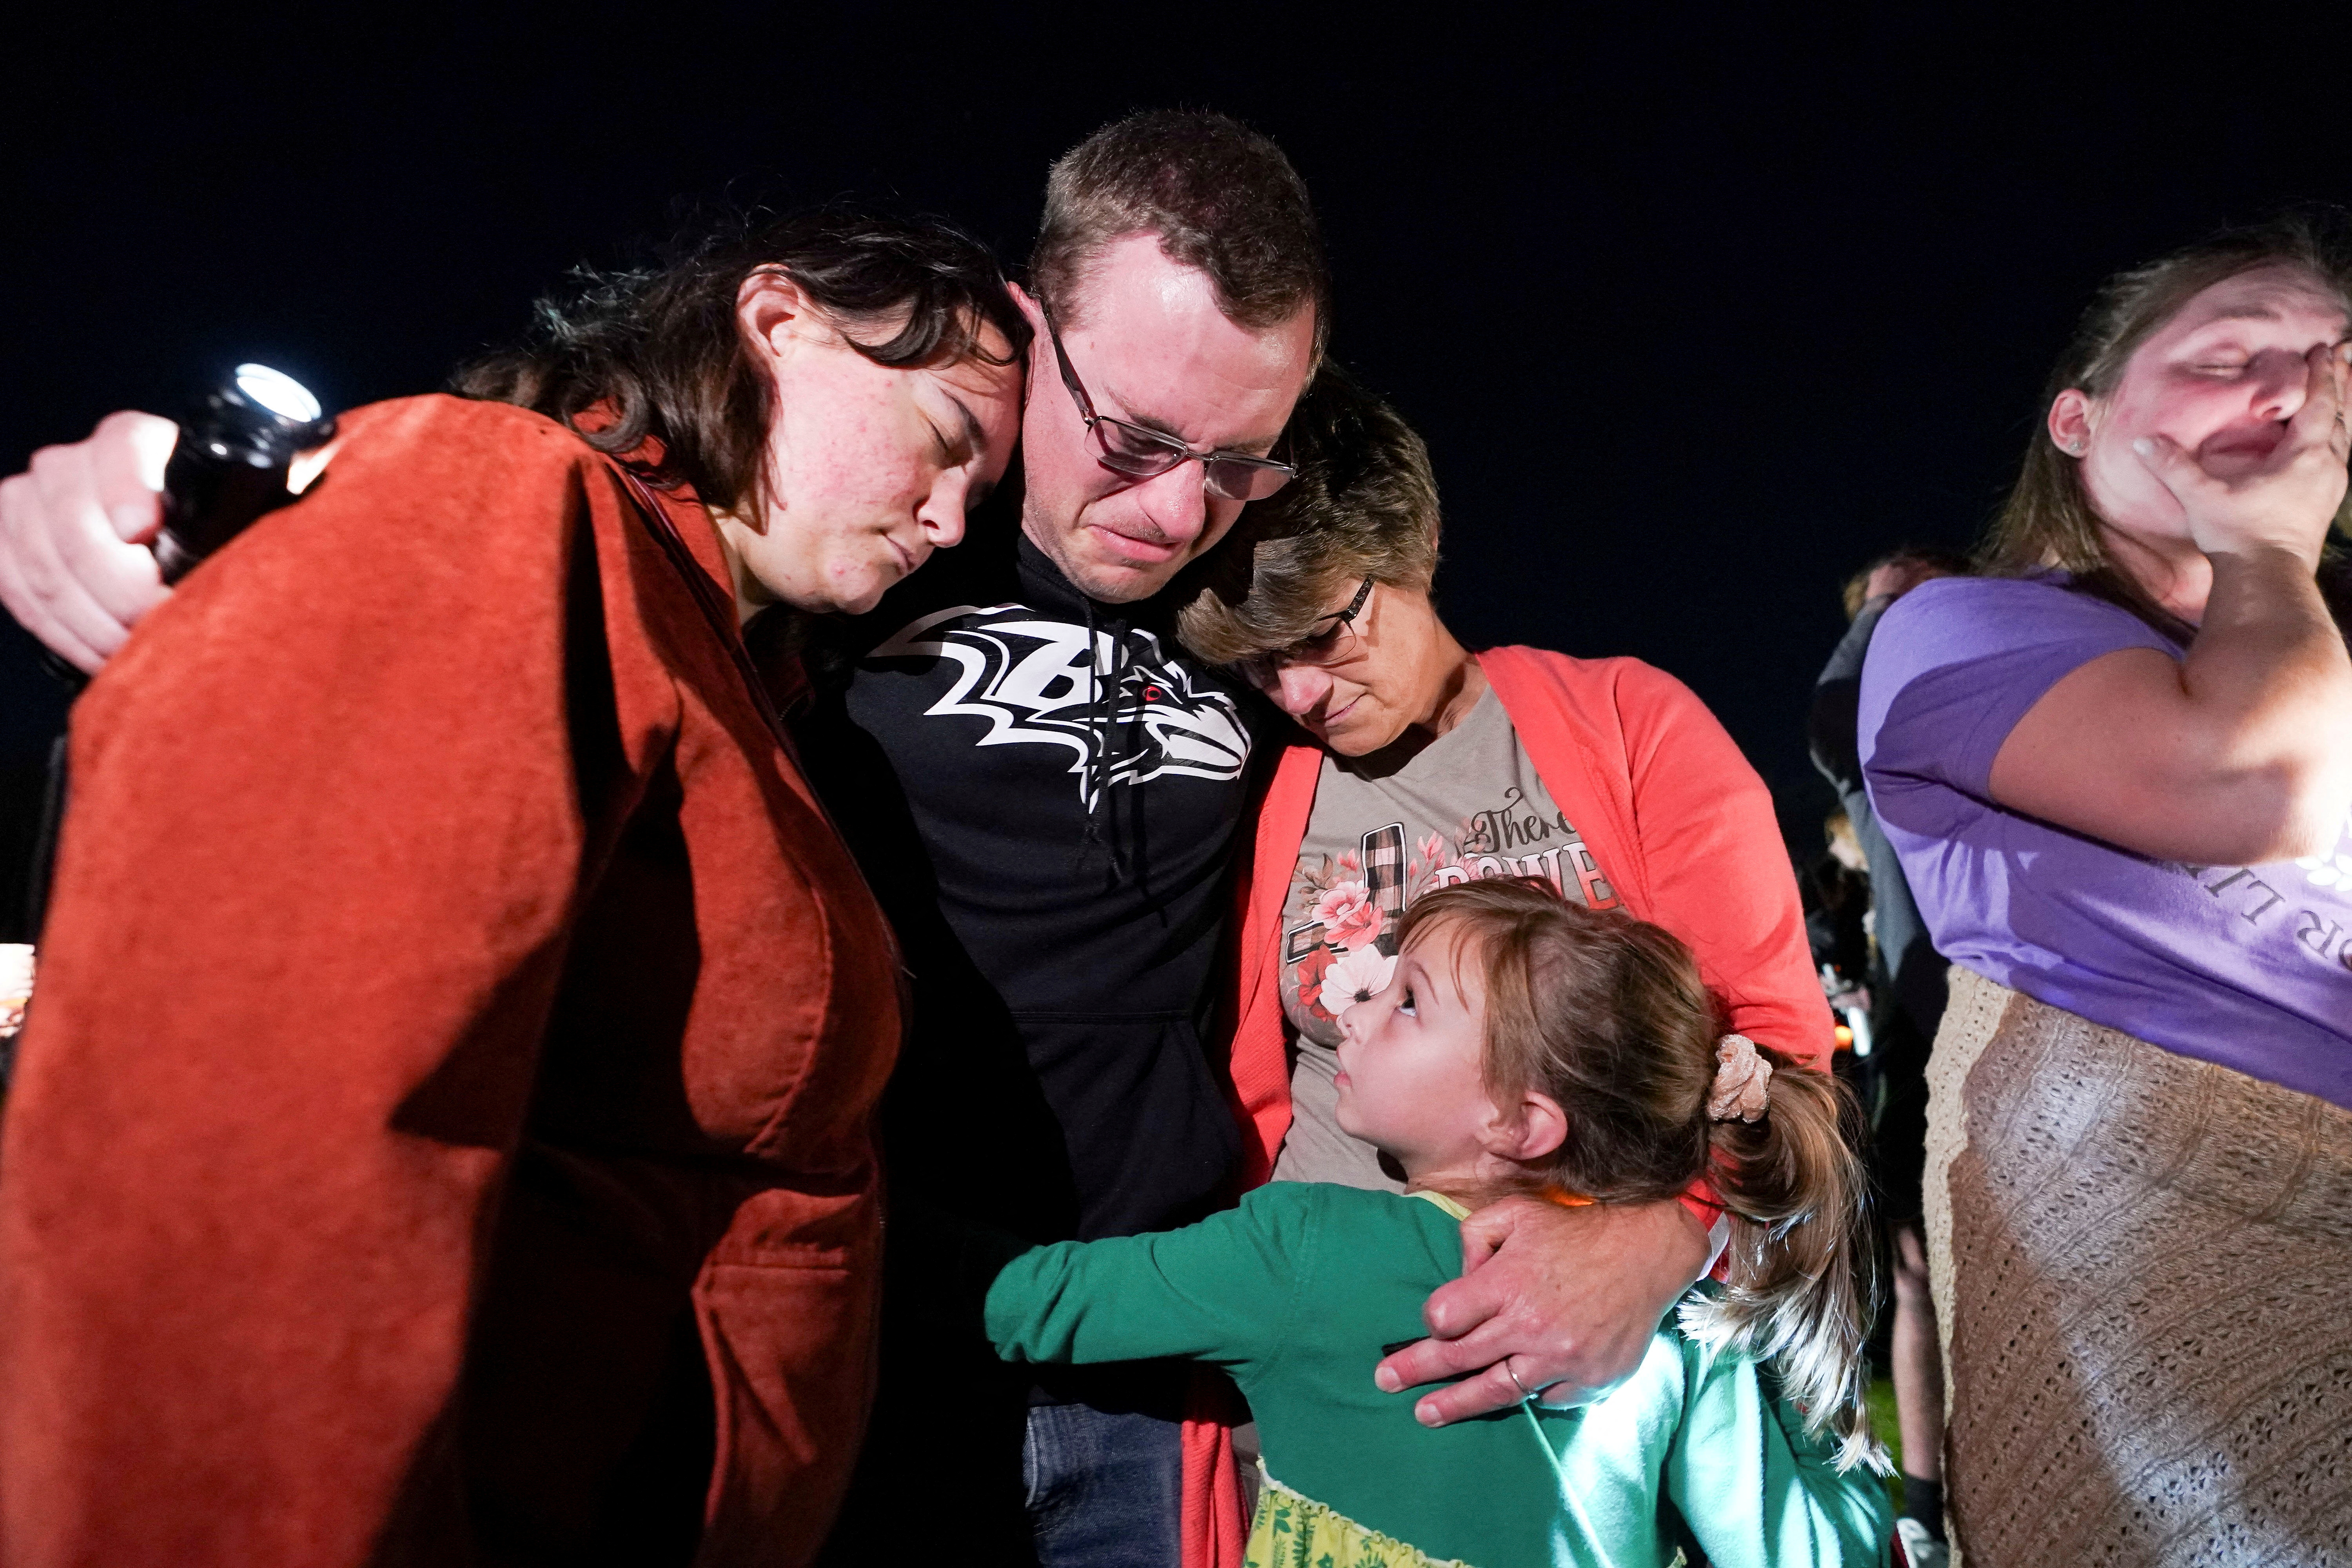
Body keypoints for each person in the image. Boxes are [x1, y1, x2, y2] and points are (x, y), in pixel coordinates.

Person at [0, 111, 1736, 1568]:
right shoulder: (866, 535)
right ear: (1029, 330)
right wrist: (157, 495)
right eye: (1133, 439)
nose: (1173, 509)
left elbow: (1572, 895)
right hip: (875, 1352)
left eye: (1239, 460)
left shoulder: (1240, 607)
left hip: (1160, 1378)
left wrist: (1668, 1223)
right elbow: (543, 558)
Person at [0, 209, 1028, 1568]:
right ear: (778, 325)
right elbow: (261, 1123)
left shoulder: (733, 674)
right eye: (945, 437)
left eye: (979, 496)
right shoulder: (499, 494)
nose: (949, 520)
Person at [1171, 363, 1840, 1550]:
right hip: (1338, 1414)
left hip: (1604, 1415)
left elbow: (1776, 1049)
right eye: (1261, 664)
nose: (1303, 690)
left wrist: (1654, 1243)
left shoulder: (1626, 723)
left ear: (1418, 543)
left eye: (1327, 630)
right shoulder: (1257, 797)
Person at [1859, 213, 2352, 1563]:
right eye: (2230, 356)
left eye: (2332, 368)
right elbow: (2250, 785)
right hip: (2169, 1278)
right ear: (2079, 421)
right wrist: (2266, 553)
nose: (2291, 394)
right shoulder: (1957, 630)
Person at [974, 880, 1891, 1568]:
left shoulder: (1301, 1248)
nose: (1353, 1009)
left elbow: (1031, 1302)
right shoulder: (1679, 1322)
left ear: (1519, 1122)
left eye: (1408, 1001)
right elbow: (1815, 1549)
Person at [1808, 545, 1968, 1567]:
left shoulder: (2002, 733)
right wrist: (1878, 609)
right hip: (1921, 1041)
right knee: (1914, 1269)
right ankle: (1927, 1504)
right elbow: (1835, 723)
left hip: (2032, 1044)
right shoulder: (1887, 773)